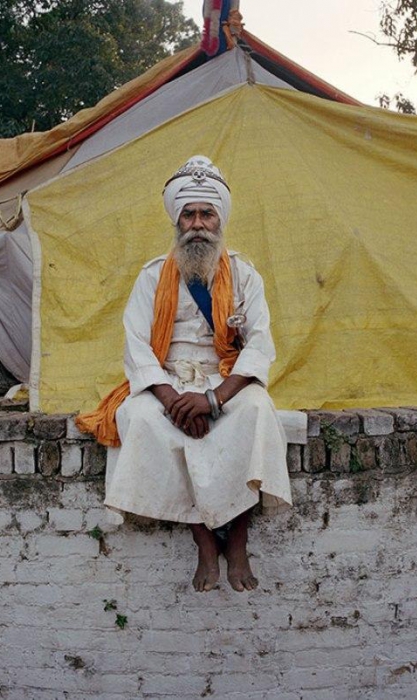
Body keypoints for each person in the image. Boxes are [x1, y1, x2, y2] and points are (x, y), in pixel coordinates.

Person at [77, 155, 292, 592]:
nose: (197, 224)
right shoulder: (152, 275)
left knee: (257, 412)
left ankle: (238, 539)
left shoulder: (245, 275)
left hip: (224, 381)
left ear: (220, 220)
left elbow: (259, 345)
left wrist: (213, 400)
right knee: (138, 418)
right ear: (177, 220)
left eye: (206, 214)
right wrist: (173, 400)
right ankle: (204, 541)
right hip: (167, 383)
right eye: (188, 214)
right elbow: (136, 344)